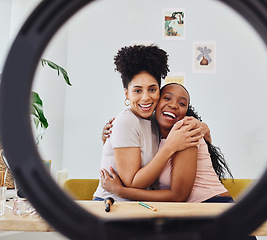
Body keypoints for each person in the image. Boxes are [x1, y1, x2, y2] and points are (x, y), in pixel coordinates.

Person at [93, 45, 205, 201]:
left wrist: (204, 129)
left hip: (138, 205)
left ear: (159, 90)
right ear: (127, 93)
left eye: (152, 89)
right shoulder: (127, 121)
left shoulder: (153, 120)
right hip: (113, 203)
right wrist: (170, 147)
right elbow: (132, 182)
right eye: (137, 91)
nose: (146, 98)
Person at [100, 83, 234, 203]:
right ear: (156, 103)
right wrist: (108, 139)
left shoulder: (185, 132)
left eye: (182, 103)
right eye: (167, 98)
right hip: (189, 211)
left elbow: (178, 196)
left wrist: (120, 191)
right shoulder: (153, 135)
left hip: (212, 204)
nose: (174, 105)